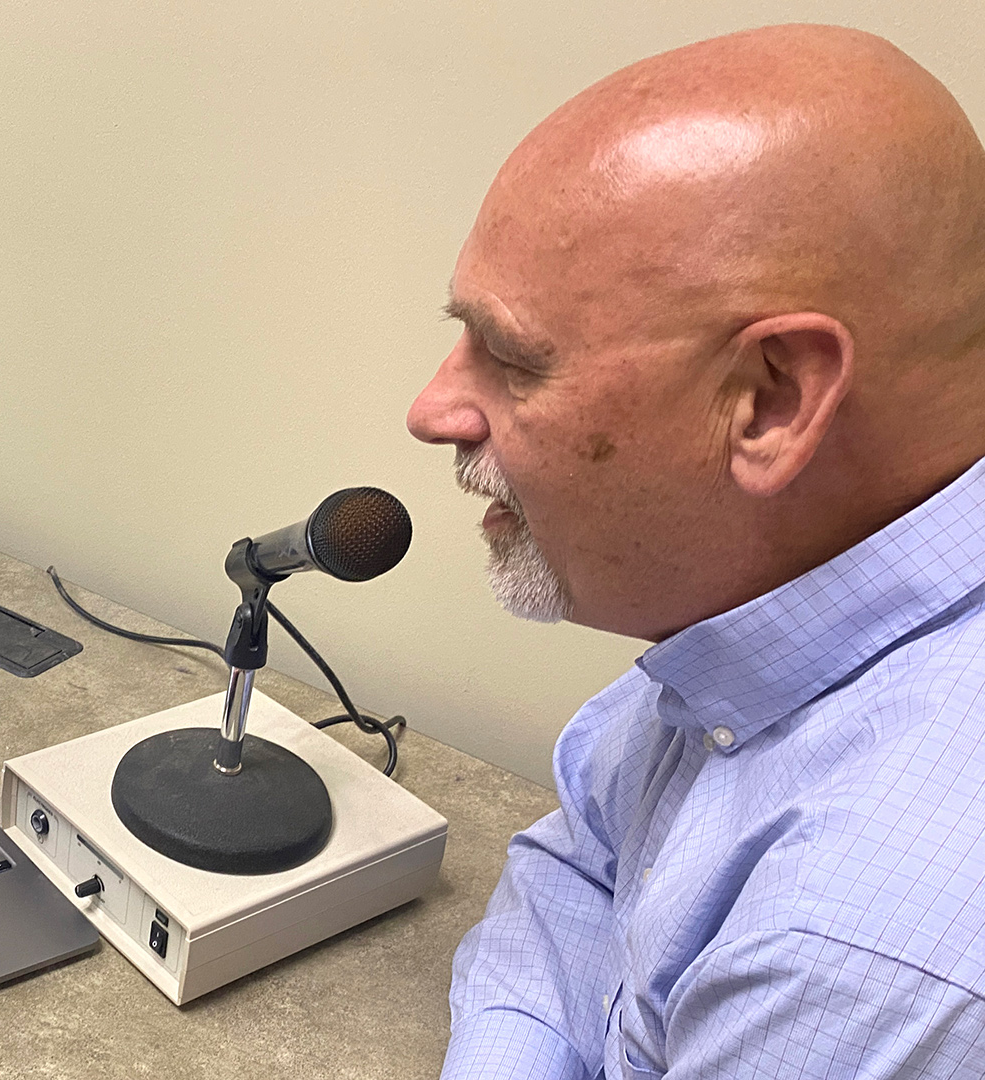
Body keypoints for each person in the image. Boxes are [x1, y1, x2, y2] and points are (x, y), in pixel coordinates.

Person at [406, 23, 985, 1079]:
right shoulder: (784, 623)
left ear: (770, 401)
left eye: (510, 359)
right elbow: (580, 882)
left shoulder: (857, 953)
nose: (435, 408)